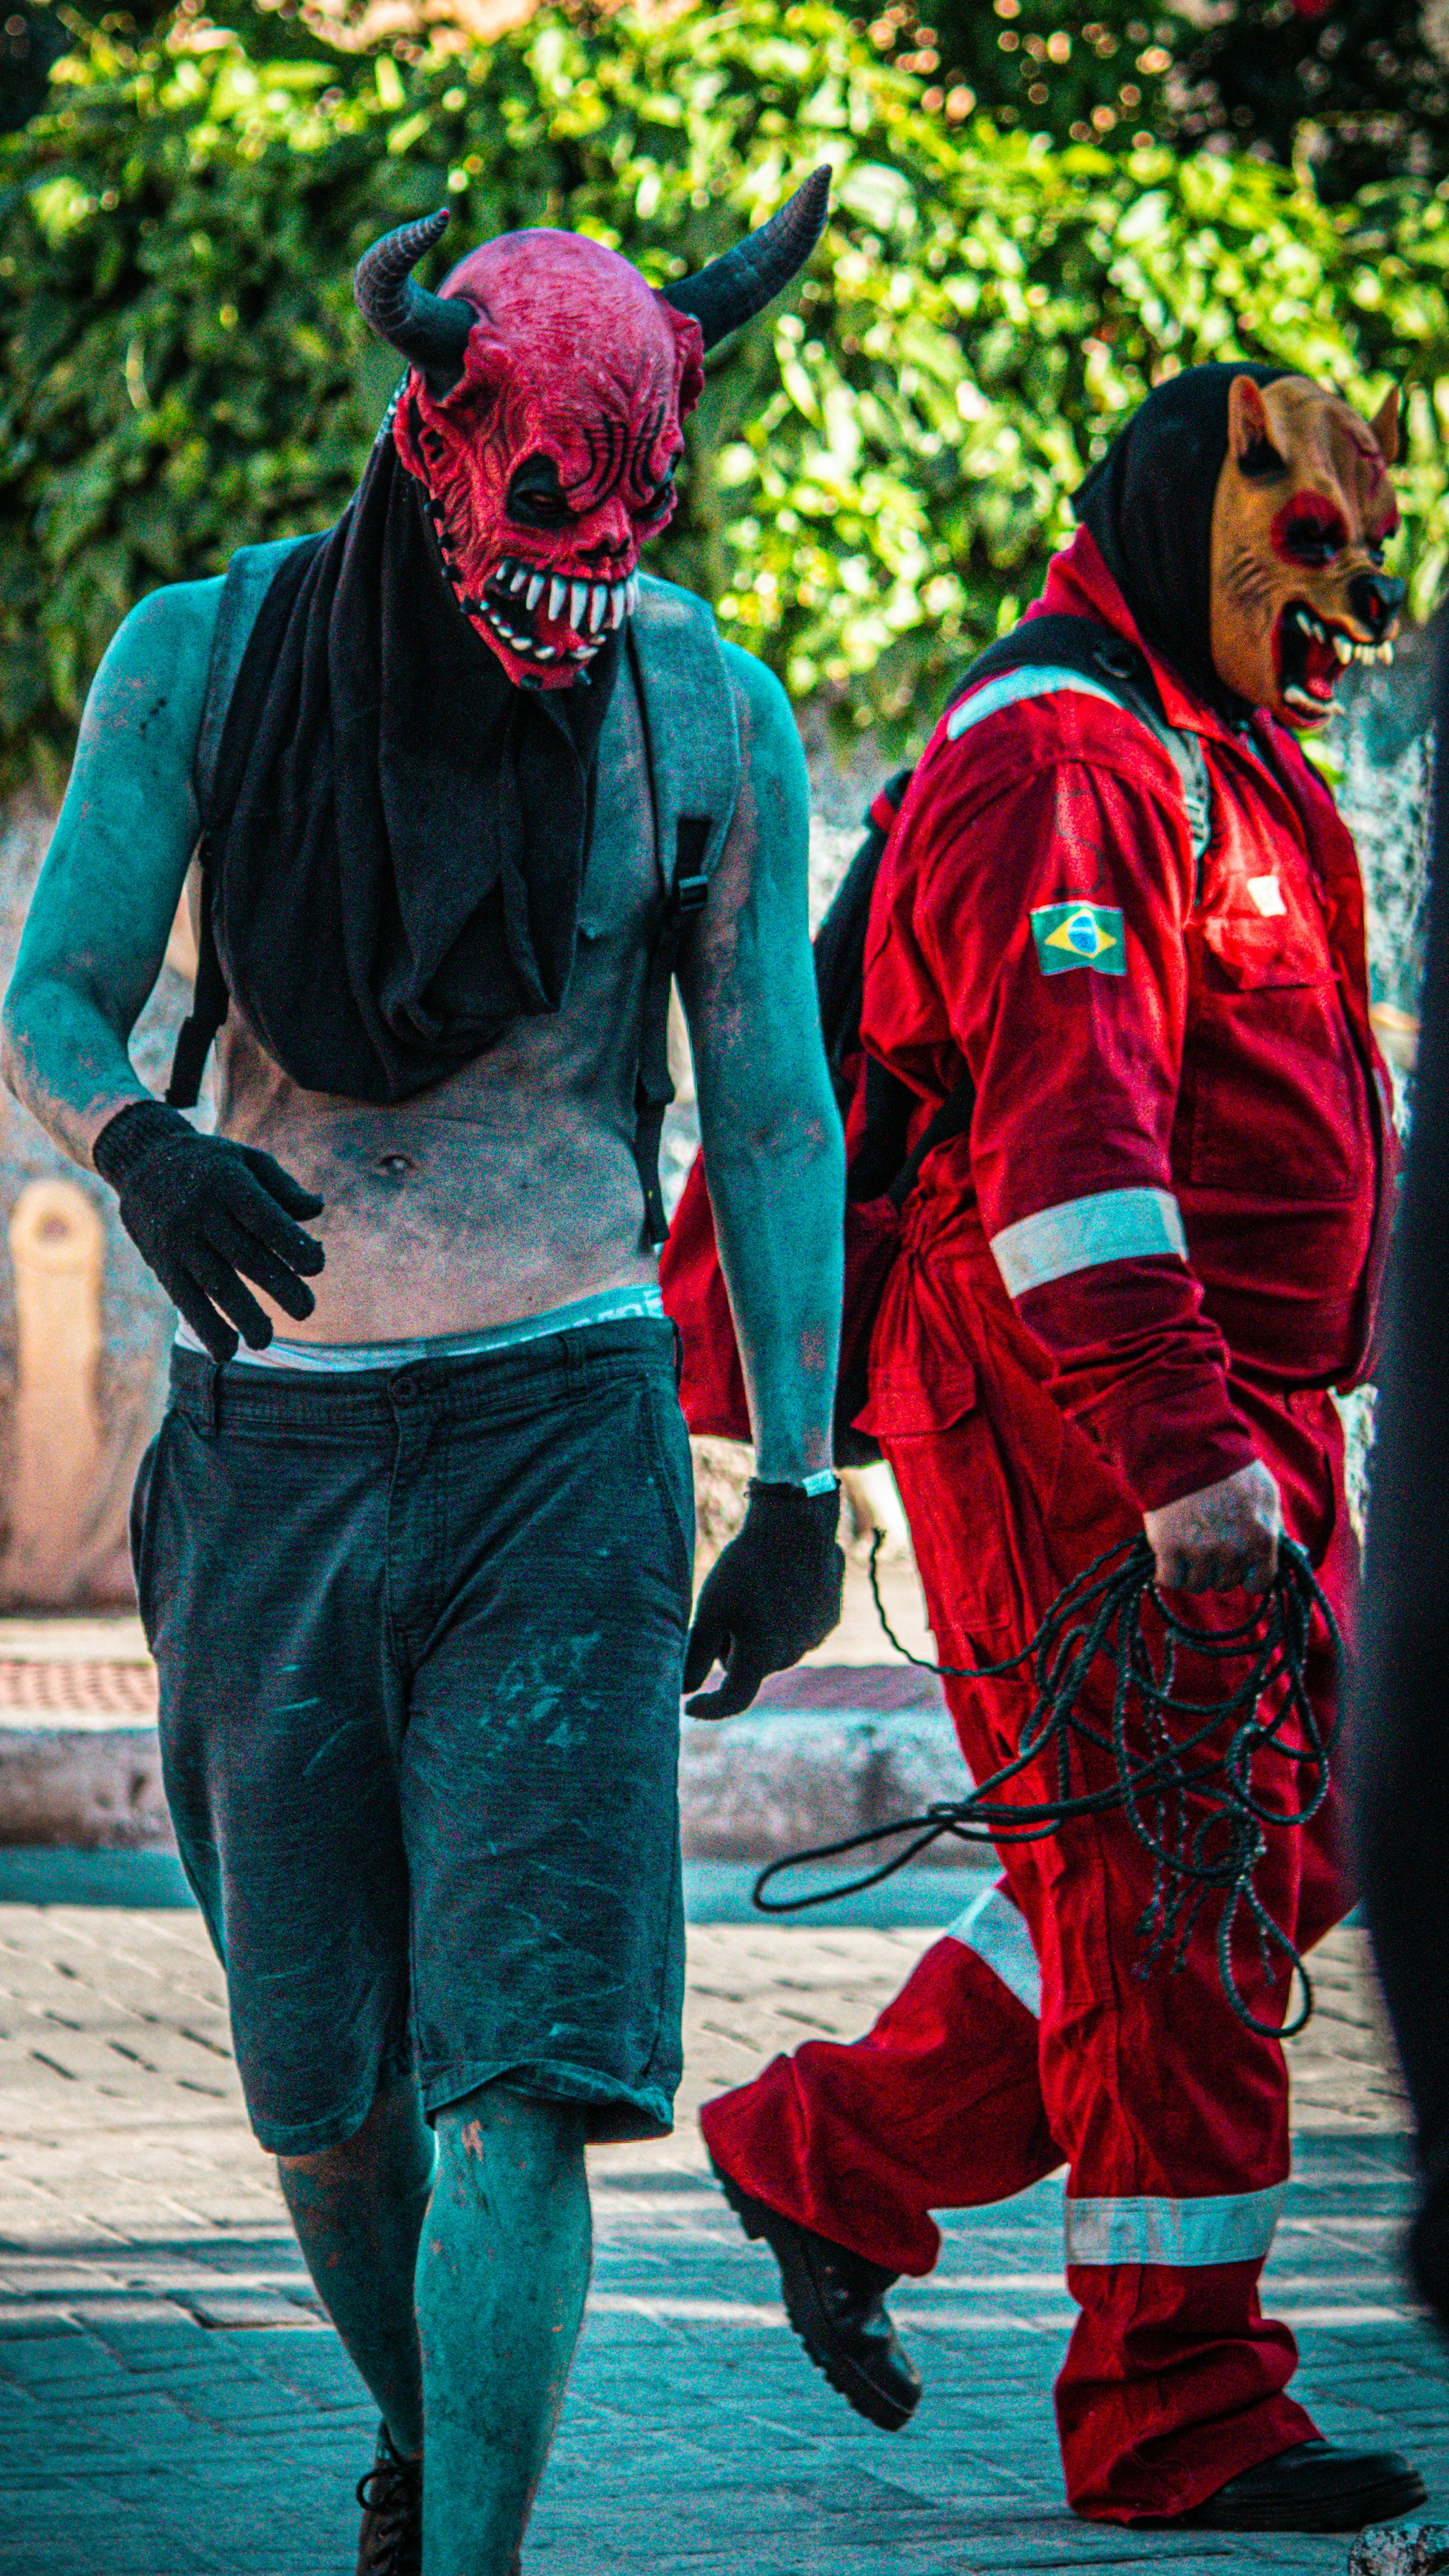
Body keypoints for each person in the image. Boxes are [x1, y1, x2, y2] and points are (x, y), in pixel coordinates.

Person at [2, 186, 847, 2576]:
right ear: (437, 425)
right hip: (273, 1450)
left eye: (640, 496)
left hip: (557, 1444)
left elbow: (774, 1105)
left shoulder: (701, 707)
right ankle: (420, 2437)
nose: (593, 564)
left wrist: (793, 1477)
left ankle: (465, 2551)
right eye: (556, 500)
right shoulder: (202, 654)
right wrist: (144, 1143)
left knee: (523, 2080)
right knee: (327, 2091)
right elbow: (55, 992)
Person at [701, 362, 1429, 2532]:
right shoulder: (1055, 760)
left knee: (1274, 1847)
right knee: (1179, 1902)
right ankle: (1177, 2416)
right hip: (1098, 1414)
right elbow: (1070, 1148)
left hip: (1225, 1414)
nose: (1333, 633)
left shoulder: (1214, 751)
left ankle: (832, 2154)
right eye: (1308, 581)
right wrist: (1170, 1443)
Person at [1355, 641, 1449, 2339]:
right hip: (1170, 1426)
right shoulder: (1074, 759)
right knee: (1160, 1870)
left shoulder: (1241, 759)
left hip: (1283, 1407)